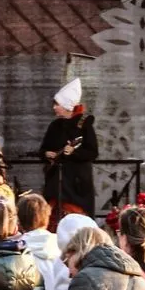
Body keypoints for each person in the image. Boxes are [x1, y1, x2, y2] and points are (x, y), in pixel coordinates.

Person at [39, 79, 98, 219]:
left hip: (76, 182)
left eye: (57, 104)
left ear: (66, 106)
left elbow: (92, 152)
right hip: (55, 181)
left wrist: (74, 153)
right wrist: (46, 153)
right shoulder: (54, 126)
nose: (54, 107)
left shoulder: (84, 125)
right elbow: (43, 149)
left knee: (76, 215)